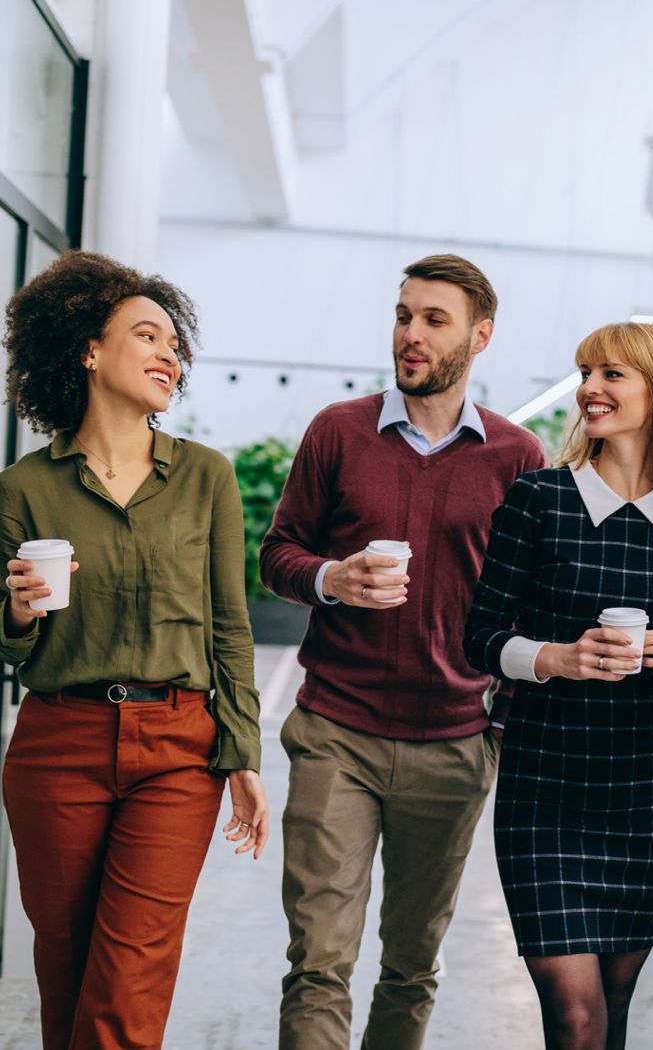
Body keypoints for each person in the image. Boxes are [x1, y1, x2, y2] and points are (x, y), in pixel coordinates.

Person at [0, 250, 266, 1050]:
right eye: (147, 335)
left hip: (179, 747)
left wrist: (242, 748)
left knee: (129, 977)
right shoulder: (25, 489)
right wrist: (21, 608)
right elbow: (9, 639)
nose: (169, 354)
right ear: (88, 350)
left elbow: (228, 625)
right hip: (57, 743)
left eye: (176, 343)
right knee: (68, 969)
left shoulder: (205, 476)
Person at [259, 254, 544, 1050]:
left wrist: (500, 727)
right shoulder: (337, 432)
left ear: (480, 336)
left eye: (433, 320)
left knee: (411, 965)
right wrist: (331, 577)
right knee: (318, 960)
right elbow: (277, 551)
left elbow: (529, 605)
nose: (409, 335)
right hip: (335, 733)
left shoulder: (519, 458)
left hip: (454, 745)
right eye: (403, 315)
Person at [464, 321, 653, 1050]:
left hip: (643, 786)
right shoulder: (539, 499)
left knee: (612, 1007)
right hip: (545, 780)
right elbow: (479, 635)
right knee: (575, 1014)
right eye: (586, 371)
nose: (589, 388)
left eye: (612, 373)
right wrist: (555, 657)